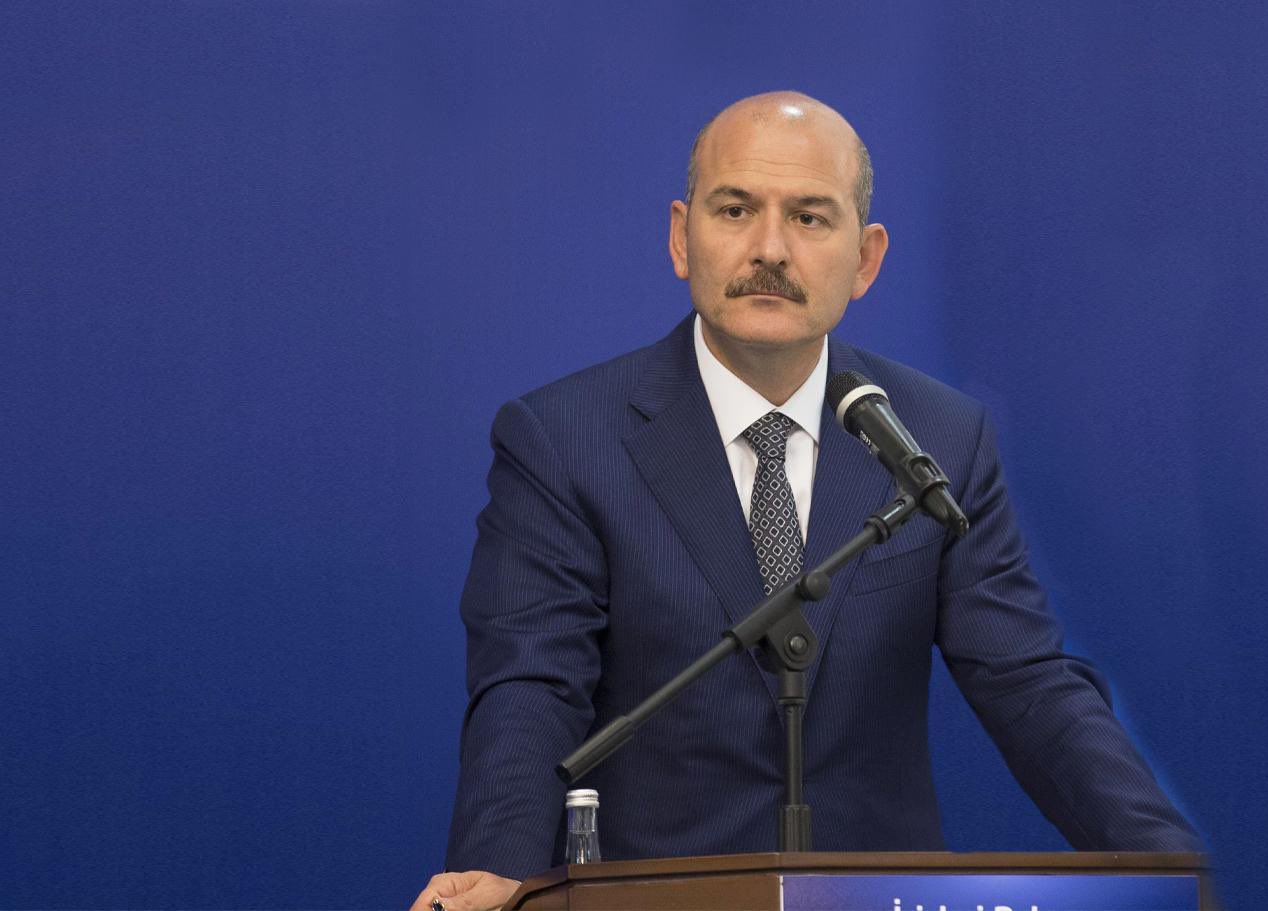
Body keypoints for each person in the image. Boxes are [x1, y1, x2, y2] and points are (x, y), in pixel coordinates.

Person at [409, 91, 1200, 911]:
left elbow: (1026, 681)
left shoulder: (937, 437)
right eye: (735, 210)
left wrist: (1172, 870)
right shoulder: (565, 438)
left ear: (866, 259)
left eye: (810, 217)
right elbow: (532, 684)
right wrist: (499, 868)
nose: (770, 248)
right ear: (681, 237)